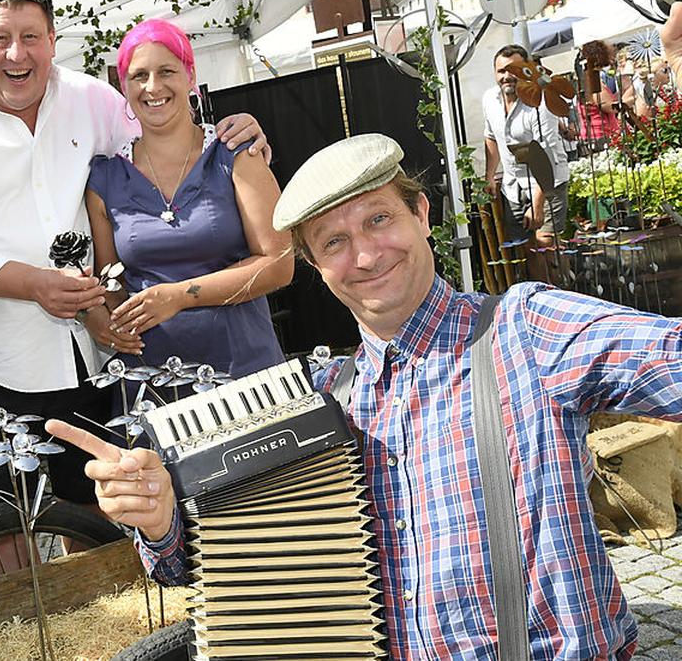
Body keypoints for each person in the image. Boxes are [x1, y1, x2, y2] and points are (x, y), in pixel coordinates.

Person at [45, 132, 682, 658]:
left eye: (379, 219)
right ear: (318, 269)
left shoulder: (526, 332)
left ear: (422, 215)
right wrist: (159, 518)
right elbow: (210, 565)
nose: (367, 254)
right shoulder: (317, 403)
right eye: (334, 243)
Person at [0, 0, 268, 572]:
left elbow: (163, 134)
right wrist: (33, 285)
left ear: (53, 41)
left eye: (30, 38)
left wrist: (238, 132)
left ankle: (116, 632)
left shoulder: (95, 101)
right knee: (3, 522)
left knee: (98, 504)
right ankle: (23, 631)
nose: (16, 54)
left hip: (89, 353)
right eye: (0, 38)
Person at [84, 19, 293, 382]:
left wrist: (181, 296)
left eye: (167, 71)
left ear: (190, 76)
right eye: (139, 76)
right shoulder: (104, 178)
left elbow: (279, 263)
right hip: (155, 379)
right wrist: (103, 317)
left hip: (245, 369)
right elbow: (110, 282)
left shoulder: (236, 154)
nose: (153, 87)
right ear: (123, 86)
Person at [483, 45, 569, 281]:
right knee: (528, 250)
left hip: (547, 182)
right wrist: (490, 174)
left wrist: (538, 204)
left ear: (527, 70)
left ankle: (564, 296)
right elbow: (490, 135)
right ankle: (539, 303)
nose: (507, 76)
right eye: (501, 71)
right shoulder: (490, 98)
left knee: (546, 247)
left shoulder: (540, 104)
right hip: (514, 185)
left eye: (514, 70)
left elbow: (547, 155)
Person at [577, 40, 620, 152]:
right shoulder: (593, 79)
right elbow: (609, 106)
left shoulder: (587, 78)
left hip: (596, 135)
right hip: (601, 136)